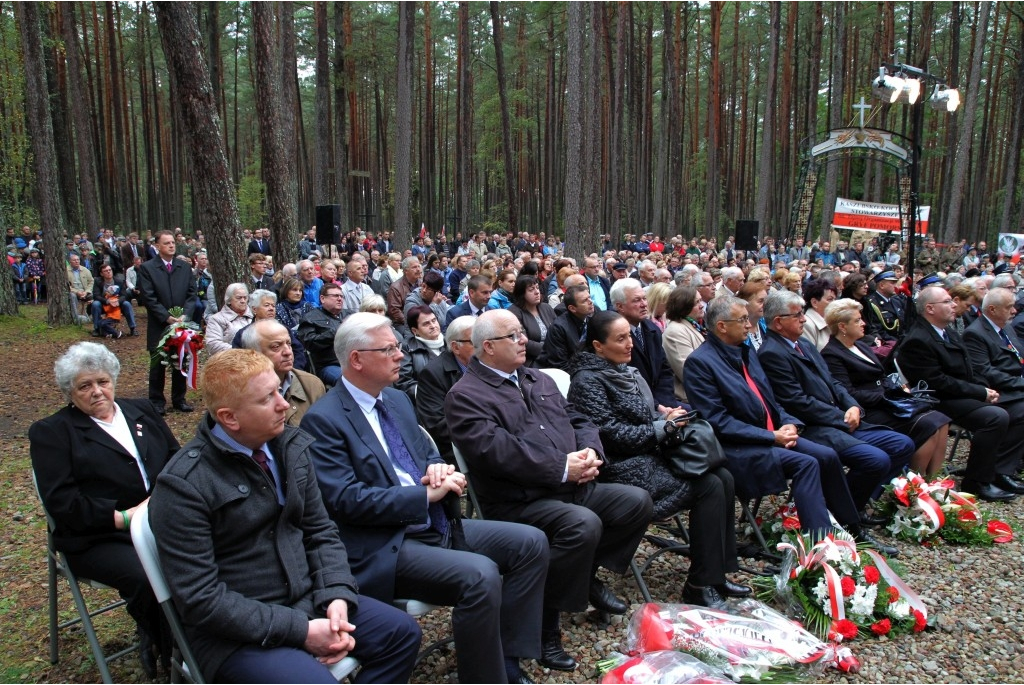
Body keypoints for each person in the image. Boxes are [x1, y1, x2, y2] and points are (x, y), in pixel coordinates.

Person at [300, 314, 547, 684]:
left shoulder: (396, 400)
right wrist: (422, 495)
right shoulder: (324, 420)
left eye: (398, 346)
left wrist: (439, 470)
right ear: (356, 359)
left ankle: (507, 658)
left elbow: (424, 454)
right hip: (386, 543)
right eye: (389, 349)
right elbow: (344, 501)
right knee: (480, 576)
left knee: (530, 543)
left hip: (434, 522)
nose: (400, 355)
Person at [149, 350, 421, 683]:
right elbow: (201, 599)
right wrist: (301, 631)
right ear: (229, 418)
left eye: (279, 390)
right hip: (236, 634)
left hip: (309, 600)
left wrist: (337, 594)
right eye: (268, 399)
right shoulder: (184, 485)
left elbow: (321, 531)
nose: (285, 404)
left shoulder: (288, 448)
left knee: (400, 634)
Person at [445, 309, 653, 672]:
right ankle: (545, 627)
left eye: (521, 333)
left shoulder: (537, 378)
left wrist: (591, 452)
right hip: (520, 500)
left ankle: (582, 575)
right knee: (581, 525)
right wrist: (561, 468)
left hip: (570, 485)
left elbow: (579, 418)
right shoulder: (466, 396)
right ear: (489, 347)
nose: (524, 339)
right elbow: (497, 453)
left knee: (635, 502)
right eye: (514, 336)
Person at [567, 311, 748, 608]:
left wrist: (664, 416)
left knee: (724, 477)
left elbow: (640, 416)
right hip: (621, 466)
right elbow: (610, 435)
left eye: (629, 336)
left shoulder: (623, 370)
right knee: (709, 486)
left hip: (648, 455)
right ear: (598, 346)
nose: (629, 344)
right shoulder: (587, 381)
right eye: (620, 338)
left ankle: (716, 573)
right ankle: (699, 583)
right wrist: (662, 427)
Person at [30, 342, 179, 676]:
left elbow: (176, 460)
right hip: (100, 535)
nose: (97, 391)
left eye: (103, 381)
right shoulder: (52, 433)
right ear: (70, 391)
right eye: (85, 386)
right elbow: (63, 503)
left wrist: (162, 502)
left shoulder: (142, 410)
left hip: (161, 517)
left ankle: (195, 635)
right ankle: (167, 647)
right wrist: (124, 518)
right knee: (148, 575)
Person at [683, 296, 874, 544]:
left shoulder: (745, 352)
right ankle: (821, 544)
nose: (749, 326)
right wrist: (771, 436)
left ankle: (849, 525)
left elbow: (769, 399)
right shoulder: (701, 363)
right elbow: (717, 421)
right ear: (721, 326)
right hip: (739, 447)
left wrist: (788, 422)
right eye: (742, 320)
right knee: (806, 464)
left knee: (827, 456)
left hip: (771, 435)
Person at [757, 290, 912, 538]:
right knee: (875, 460)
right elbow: (797, 402)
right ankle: (845, 517)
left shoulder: (804, 344)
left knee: (902, 444)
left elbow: (834, 383)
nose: (804, 319)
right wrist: (840, 416)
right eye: (797, 315)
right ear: (778, 322)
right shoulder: (771, 353)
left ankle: (848, 507)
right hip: (817, 427)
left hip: (840, 418)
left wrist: (852, 407)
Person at [897, 286, 1023, 501]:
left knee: (1012, 408)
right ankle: (977, 481)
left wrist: (985, 389)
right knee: (995, 416)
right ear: (930, 309)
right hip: (938, 400)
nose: (954, 304)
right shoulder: (918, 339)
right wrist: (980, 392)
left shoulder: (947, 332)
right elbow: (937, 382)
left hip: (959, 393)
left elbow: (970, 369)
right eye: (947, 302)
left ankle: (999, 470)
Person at [821, 298, 951, 478]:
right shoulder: (831, 354)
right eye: (857, 320)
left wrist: (897, 389)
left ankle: (934, 480)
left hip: (886, 401)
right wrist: (886, 396)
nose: (863, 323)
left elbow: (881, 376)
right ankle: (915, 485)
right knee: (928, 424)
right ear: (842, 327)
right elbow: (847, 392)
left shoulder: (860, 345)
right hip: (867, 410)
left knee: (941, 419)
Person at [137, 230, 198, 414]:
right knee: (158, 363)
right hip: (159, 324)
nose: (171, 245)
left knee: (180, 360)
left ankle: (179, 399)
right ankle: (156, 401)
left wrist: (184, 315)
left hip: (181, 323)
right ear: (157, 246)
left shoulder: (184, 267)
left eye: (173, 242)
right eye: (166, 243)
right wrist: (166, 317)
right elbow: (148, 297)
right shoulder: (148, 268)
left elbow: (191, 294)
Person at [240, 319, 325, 427]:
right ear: (254, 353)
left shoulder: (312, 384)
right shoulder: (241, 392)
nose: (288, 352)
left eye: (288, 344)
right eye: (276, 346)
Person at [416, 316, 476, 465]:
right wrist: (483, 427)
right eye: (476, 342)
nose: (484, 346)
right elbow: (438, 425)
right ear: (456, 347)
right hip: (463, 449)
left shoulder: (491, 363)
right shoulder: (432, 374)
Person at [611, 279, 679, 408]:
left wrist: (667, 405)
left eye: (644, 298)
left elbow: (664, 370)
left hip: (662, 402)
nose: (644, 304)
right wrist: (656, 406)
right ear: (620, 306)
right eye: (637, 300)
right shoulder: (611, 335)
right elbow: (622, 380)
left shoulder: (651, 328)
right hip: (634, 407)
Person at [232, 289, 309, 372]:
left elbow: (298, 351)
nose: (271, 309)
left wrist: (293, 372)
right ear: (254, 309)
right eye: (266, 305)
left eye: (273, 306)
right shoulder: (243, 334)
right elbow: (239, 361)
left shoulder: (283, 329)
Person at [662, 285, 705, 404]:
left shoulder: (693, 325)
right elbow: (688, 372)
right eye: (696, 302)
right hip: (693, 398)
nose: (701, 305)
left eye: (701, 300)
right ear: (684, 306)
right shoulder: (675, 331)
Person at [297, 282, 346, 386]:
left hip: (353, 361)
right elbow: (309, 342)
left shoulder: (348, 315)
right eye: (335, 296)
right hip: (329, 365)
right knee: (348, 380)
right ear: (323, 298)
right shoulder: (310, 318)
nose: (340, 299)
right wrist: (335, 332)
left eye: (341, 296)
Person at [394, 305, 445, 400]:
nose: (433, 326)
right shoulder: (407, 349)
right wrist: (429, 393)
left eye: (434, 320)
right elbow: (403, 382)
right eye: (426, 324)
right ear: (415, 330)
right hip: (426, 404)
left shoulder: (450, 343)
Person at [537, 284, 593, 370]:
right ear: (572, 308)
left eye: (589, 297)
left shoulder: (592, 317)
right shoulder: (558, 328)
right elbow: (559, 364)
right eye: (584, 300)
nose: (590, 302)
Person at [508, 275, 557, 368]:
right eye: (531, 290)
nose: (537, 292)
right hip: (531, 361)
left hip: (554, 356)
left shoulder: (546, 307)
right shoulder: (513, 313)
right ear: (521, 294)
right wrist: (548, 350)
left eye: (537, 288)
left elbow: (557, 331)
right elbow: (520, 341)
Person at [205, 284, 254, 357]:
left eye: (245, 298)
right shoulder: (216, 319)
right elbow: (213, 344)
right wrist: (241, 352)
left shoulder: (254, 316)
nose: (243, 301)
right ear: (229, 300)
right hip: (230, 361)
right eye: (239, 298)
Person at [801, 278, 836, 351]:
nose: (835, 303)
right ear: (814, 302)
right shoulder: (806, 324)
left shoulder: (833, 320)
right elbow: (811, 356)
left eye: (835, 299)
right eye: (830, 299)